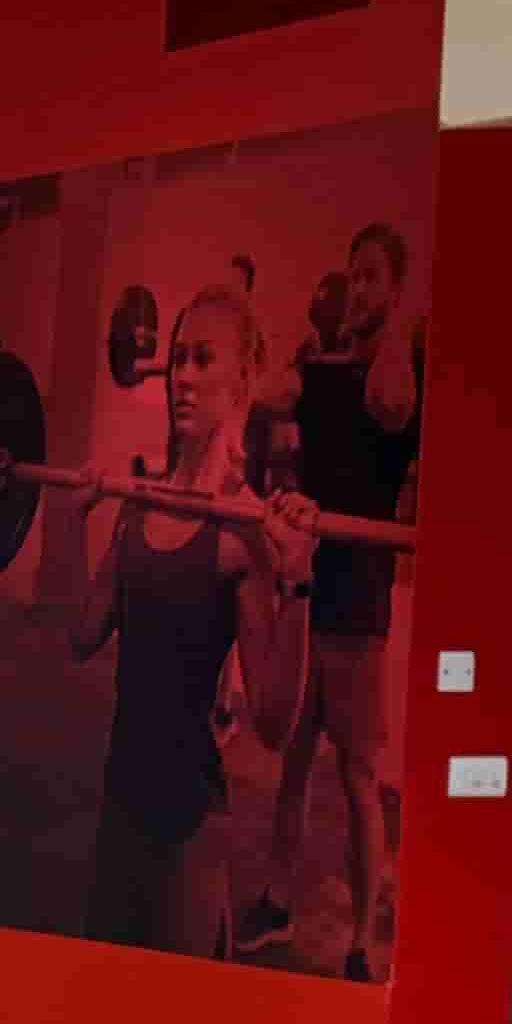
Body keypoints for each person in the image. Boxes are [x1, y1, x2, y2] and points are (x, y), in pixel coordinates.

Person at [69, 281, 317, 959]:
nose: (183, 376)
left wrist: (296, 579)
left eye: (204, 360)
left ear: (242, 379)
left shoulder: (241, 530)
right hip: (118, 810)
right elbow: (80, 637)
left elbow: (272, 721)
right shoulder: (137, 502)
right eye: (179, 358)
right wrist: (78, 523)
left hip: (189, 827)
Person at [244, 220, 419, 981]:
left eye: (375, 274)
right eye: (354, 273)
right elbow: (266, 399)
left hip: (360, 608)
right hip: (312, 591)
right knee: (292, 762)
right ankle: (278, 897)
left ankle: (357, 940)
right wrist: (304, 344)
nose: (360, 286)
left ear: (397, 288)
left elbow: (390, 407)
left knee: (355, 777)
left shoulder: (394, 368)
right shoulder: (321, 369)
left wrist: (387, 333)